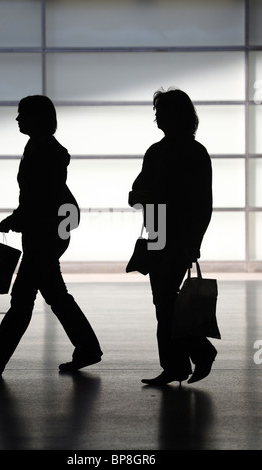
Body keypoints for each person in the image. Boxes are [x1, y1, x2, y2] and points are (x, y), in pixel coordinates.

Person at [0, 95, 103, 375]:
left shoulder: (44, 151)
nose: (17, 119)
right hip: (47, 232)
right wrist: (19, 218)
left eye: (22, 114)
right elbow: (40, 195)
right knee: (54, 296)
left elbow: (40, 196)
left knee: (24, 299)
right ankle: (87, 348)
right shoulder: (40, 147)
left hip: (43, 233)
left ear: (37, 118)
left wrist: (17, 218)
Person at [128, 87, 216, 386]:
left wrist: (189, 241)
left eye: (161, 113)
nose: (157, 119)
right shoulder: (192, 152)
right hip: (173, 235)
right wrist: (194, 241)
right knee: (164, 300)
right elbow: (202, 204)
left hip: (165, 234)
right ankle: (188, 357)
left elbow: (139, 191)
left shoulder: (160, 152)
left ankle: (188, 358)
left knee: (163, 300)